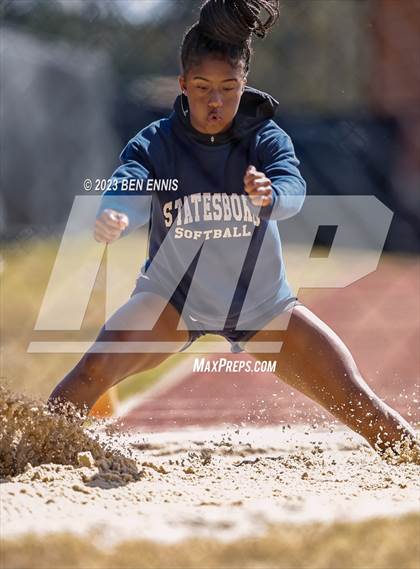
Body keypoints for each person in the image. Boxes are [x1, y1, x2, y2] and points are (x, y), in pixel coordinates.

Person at [49, 0, 415, 454]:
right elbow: (132, 181)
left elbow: (291, 188)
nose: (215, 101)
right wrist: (119, 211)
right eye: (202, 87)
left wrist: (271, 195)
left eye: (228, 87)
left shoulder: (264, 140)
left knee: (363, 406)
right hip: (172, 303)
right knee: (85, 378)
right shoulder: (157, 142)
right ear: (182, 85)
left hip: (261, 306)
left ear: (245, 86)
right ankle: (23, 458)